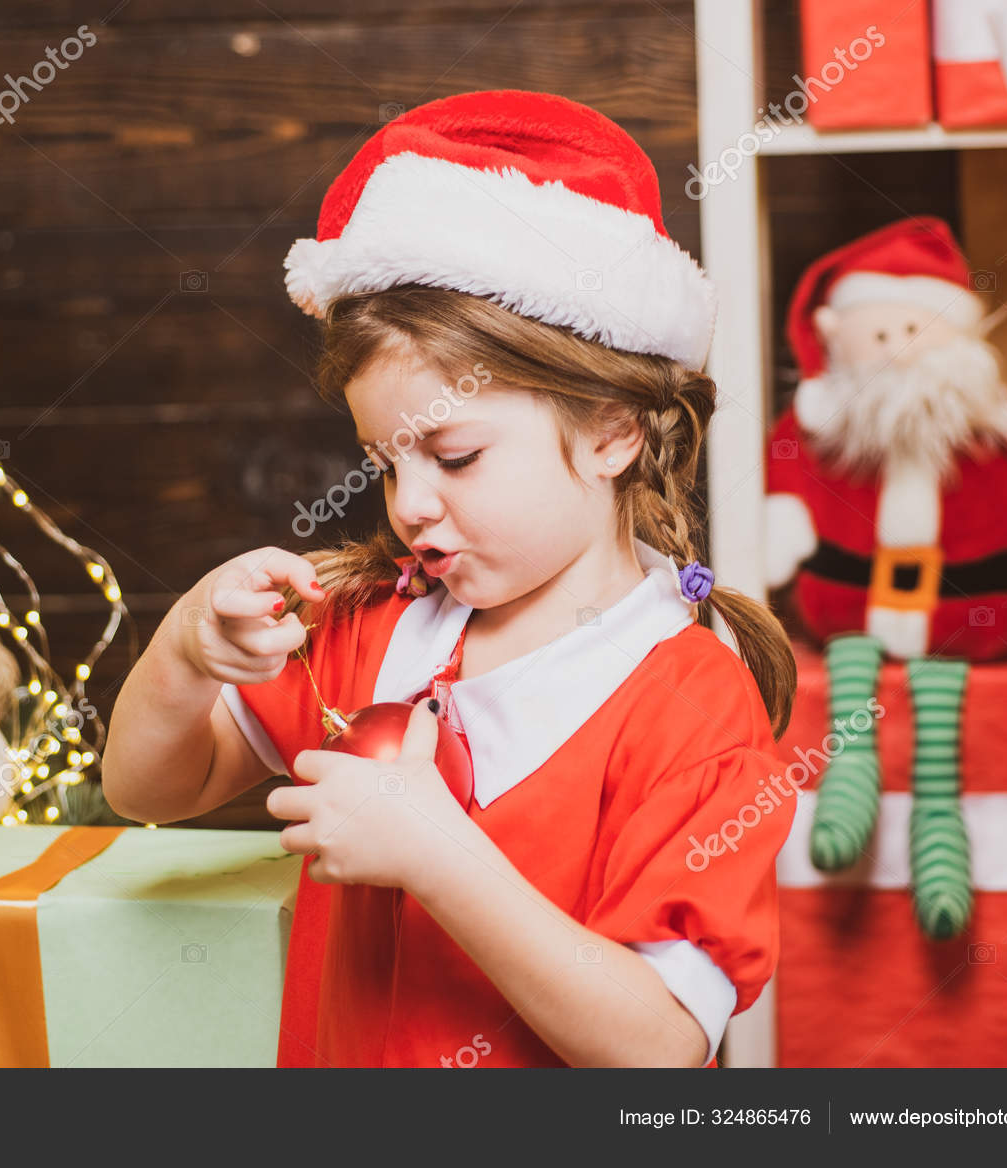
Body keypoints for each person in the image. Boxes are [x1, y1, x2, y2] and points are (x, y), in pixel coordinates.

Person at [102, 90, 798, 1068]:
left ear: (611, 431)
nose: (409, 505)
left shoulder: (691, 707)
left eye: (456, 455)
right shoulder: (374, 631)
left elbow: (657, 1044)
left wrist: (436, 854)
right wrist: (184, 649)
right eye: (388, 462)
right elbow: (149, 788)